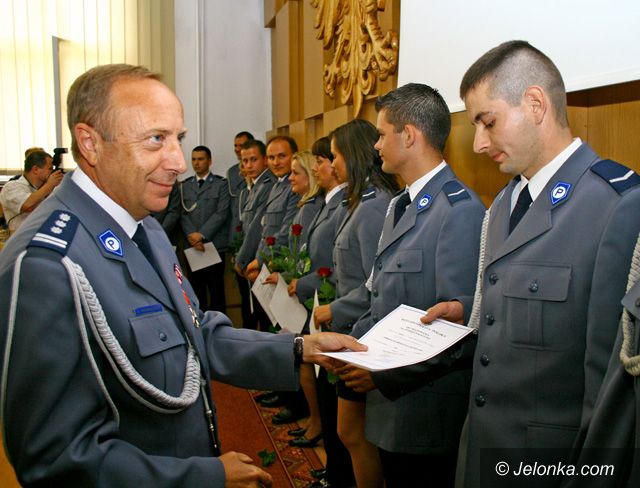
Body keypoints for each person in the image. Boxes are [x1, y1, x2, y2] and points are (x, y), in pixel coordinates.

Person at [0, 63, 366, 488]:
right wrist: (205, 476)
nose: (177, 162)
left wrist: (300, 347)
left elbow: (195, 333)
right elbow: (57, 462)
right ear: (90, 143)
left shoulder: (145, 227)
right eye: (156, 139)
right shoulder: (45, 264)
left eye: (179, 139)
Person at [423, 41, 640, 488]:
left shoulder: (617, 205)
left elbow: (609, 390)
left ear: (536, 104)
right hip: (482, 453)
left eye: (488, 122)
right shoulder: (504, 204)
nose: (479, 144)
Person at [336, 83, 485, 488]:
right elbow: (381, 295)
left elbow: (459, 330)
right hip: (391, 411)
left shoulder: (458, 211)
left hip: (424, 414)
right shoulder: (399, 206)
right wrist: (350, 347)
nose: (376, 145)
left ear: (409, 136)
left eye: (381, 134)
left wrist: (383, 375)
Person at [315, 119, 400, 488]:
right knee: (350, 432)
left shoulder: (374, 206)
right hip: (351, 332)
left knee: (353, 433)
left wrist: (335, 310)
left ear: (352, 154)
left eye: (335, 155)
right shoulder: (361, 201)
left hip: (362, 333)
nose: (332, 163)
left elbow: (374, 283)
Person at [179, 145, 230, 312]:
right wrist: (193, 237)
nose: (196, 163)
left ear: (209, 161)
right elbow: (182, 213)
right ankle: (200, 326)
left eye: (200, 159)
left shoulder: (221, 184)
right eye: (194, 159)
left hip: (213, 245)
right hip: (192, 247)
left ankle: (220, 326)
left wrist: (201, 235)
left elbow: (221, 213)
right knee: (196, 292)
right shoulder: (184, 186)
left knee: (217, 293)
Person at [234, 139, 276, 330]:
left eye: (253, 160)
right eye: (245, 161)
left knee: (264, 318)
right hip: (251, 259)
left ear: (264, 160)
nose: (249, 165)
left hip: (259, 260)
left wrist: (242, 260)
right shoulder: (255, 185)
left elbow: (256, 229)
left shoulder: (267, 184)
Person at [0, 150, 64, 233]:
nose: (52, 172)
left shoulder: (48, 187)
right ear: (35, 169)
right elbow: (28, 205)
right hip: (22, 237)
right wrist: (49, 185)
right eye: (50, 169)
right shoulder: (11, 187)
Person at [227, 131, 254, 246]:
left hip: (253, 228)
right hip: (237, 230)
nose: (237, 149)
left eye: (241, 145)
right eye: (235, 146)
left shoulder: (261, 169)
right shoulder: (232, 172)